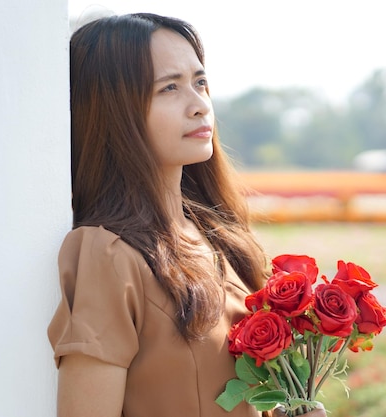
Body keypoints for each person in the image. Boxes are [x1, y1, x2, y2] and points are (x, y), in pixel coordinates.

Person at [47, 12, 326, 417]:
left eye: (200, 83)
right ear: (114, 108)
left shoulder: (220, 239)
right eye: (169, 88)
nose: (199, 106)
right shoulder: (107, 255)